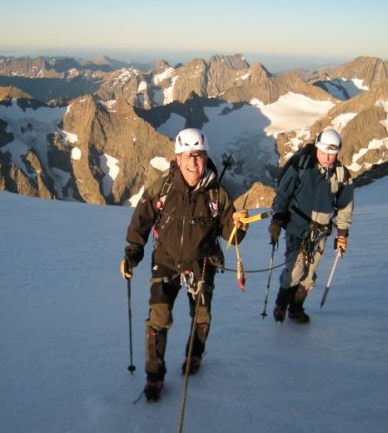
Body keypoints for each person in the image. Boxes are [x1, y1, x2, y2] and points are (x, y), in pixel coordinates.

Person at [121, 128, 249, 401]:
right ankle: (154, 376)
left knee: (201, 316)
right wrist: (132, 253)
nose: (194, 162)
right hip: (166, 261)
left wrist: (240, 225)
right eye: (188, 156)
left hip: (202, 264)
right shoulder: (161, 188)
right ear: (177, 158)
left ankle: (195, 356)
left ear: (205, 157)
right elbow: (141, 221)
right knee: (158, 319)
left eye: (199, 156)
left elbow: (230, 235)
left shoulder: (218, 194)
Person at [268, 128, 354, 323]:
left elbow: (345, 207)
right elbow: (283, 194)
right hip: (296, 227)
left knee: (309, 274)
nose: (328, 157)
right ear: (317, 148)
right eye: (324, 152)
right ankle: (281, 304)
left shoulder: (341, 175)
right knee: (295, 269)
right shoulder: (302, 165)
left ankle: (296, 308)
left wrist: (342, 234)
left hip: (320, 233)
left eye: (332, 154)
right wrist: (277, 221)